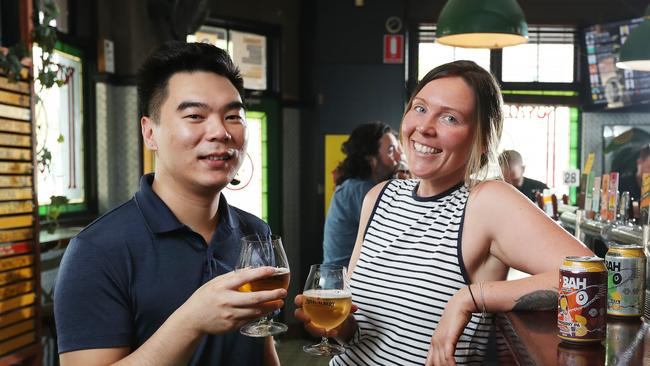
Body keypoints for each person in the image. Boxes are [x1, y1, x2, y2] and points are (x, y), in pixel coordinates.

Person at [295, 60, 592, 365]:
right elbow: (359, 335)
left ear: (483, 139)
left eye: (450, 118)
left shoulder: (485, 201)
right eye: (420, 108)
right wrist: (341, 327)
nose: (424, 127)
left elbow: (594, 277)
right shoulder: (379, 196)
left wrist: (471, 298)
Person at [54, 42, 287, 365]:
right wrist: (191, 321)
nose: (220, 131)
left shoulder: (254, 231)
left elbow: (261, 349)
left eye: (233, 115)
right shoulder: (96, 251)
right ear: (150, 132)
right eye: (195, 116)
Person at [323, 122, 401, 267]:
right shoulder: (360, 190)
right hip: (342, 284)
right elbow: (397, 237)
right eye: (391, 151)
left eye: (398, 148)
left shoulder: (353, 186)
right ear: (371, 160)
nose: (399, 156)